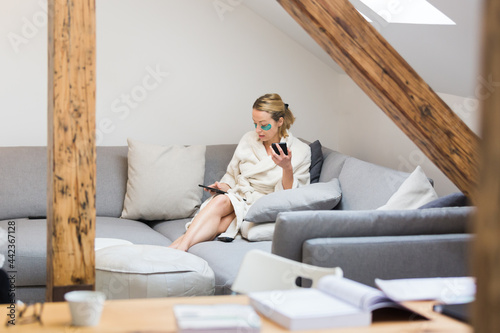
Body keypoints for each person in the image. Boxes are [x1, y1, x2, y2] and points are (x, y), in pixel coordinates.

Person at [169, 93, 311, 251]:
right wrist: (223, 186)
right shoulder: (248, 140)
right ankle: (179, 250)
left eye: (263, 125)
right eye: (255, 124)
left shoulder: (300, 151)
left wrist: (287, 168)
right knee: (220, 201)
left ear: (280, 121)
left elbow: (293, 197)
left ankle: (175, 249)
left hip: (264, 205)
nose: (258, 130)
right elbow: (232, 174)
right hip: (240, 196)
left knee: (220, 224)